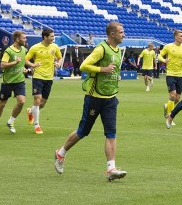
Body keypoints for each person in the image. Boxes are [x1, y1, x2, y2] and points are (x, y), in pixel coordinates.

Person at [54, 21, 127, 181]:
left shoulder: (118, 50)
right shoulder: (101, 48)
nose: (124, 34)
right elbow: (84, 66)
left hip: (110, 99)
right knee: (83, 131)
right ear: (112, 34)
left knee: (111, 133)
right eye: (121, 32)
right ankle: (61, 153)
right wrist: (103, 69)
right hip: (94, 98)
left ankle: (111, 169)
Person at [0, 30, 34, 134]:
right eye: (24, 38)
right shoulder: (8, 50)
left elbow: (22, 63)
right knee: (2, 104)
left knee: (22, 102)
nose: (26, 40)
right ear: (17, 39)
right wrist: (15, 62)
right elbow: (2, 65)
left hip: (19, 80)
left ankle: (11, 121)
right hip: (8, 81)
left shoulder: (24, 49)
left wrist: (24, 69)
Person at [26, 27, 62, 134]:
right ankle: (37, 125)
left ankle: (31, 111)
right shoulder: (35, 48)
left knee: (42, 103)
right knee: (37, 99)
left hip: (49, 77)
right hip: (38, 76)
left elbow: (59, 58)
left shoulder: (55, 47)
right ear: (45, 37)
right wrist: (33, 65)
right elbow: (26, 59)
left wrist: (59, 63)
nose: (53, 38)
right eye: (51, 36)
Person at [159, 29, 182, 118]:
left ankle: (167, 106)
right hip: (170, 74)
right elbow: (159, 55)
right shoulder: (168, 46)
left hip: (180, 74)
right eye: (180, 36)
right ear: (175, 37)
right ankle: (169, 116)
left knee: (177, 98)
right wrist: (164, 60)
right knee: (172, 94)